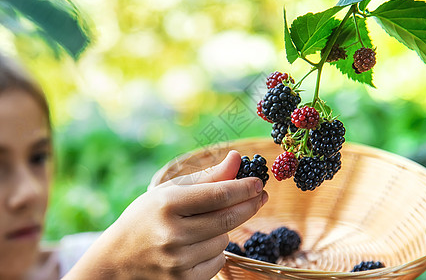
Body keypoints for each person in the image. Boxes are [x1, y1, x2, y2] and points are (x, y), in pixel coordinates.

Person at [0, 53, 269, 280]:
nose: (29, 191)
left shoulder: (89, 252)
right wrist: (108, 272)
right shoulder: (114, 263)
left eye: (38, 157)